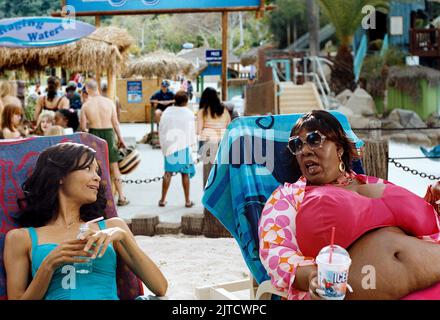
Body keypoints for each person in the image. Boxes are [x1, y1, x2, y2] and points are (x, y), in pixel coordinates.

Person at [258, 110, 440, 300]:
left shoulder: (373, 182)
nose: (305, 150)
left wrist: (431, 202)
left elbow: (416, 226)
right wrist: (313, 277)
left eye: (314, 139)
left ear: (339, 149)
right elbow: (275, 251)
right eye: (296, 145)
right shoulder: (287, 197)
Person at [4, 142, 168, 300]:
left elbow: (160, 287)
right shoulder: (21, 238)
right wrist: (49, 265)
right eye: (87, 169)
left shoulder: (112, 227)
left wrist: (122, 235)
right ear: (60, 176)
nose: (97, 177)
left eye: (97, 171)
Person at [80, 80, 129, 206]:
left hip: (93, 135)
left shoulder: (86, 105)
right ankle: (122, 197)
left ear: (87, 89)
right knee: (114, 167)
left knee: (95, 167)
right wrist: (121, 139)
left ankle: (99, 199)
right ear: (98, 88)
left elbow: (83, 127)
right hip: (109, 134)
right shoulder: (109, 102)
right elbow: (116, 123)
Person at [158, 91, 196, 208]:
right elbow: (191, 131)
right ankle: (188, 201)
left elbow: (161, 129)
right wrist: (192, 146)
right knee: (185, 173)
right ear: (186, 101)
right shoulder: (189, 113)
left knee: (167, 173)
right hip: (183, 146)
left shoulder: (167, 112)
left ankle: (163, 200)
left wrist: (163, 145)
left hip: (170, 147)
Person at [197, 87, 231, 184]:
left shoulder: (202, 112)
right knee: (222, 171)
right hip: (224, 142)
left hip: (209, 142)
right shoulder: (224, 110)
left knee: (208, 173)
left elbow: (198, 131)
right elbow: (229, 126)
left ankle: (208, 196)